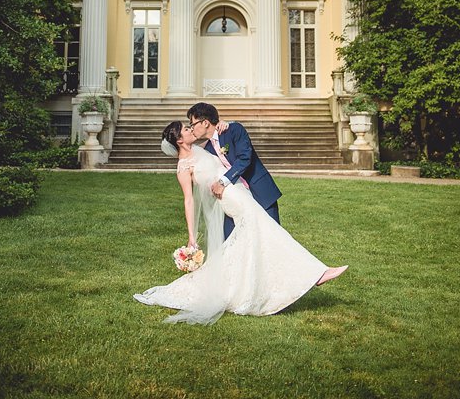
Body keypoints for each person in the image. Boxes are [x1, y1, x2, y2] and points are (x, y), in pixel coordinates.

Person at [133, 121, 348, 325]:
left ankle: (247, 288)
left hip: (240, 193)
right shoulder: (183, 167)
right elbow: (188, 201)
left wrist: (224, 123)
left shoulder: (202, 148)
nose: (191, 130)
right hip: (232, 199)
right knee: (269, 232)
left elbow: (215, 135)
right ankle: (316, 273)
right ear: (180, 140)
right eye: (186, 129)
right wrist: (191, 235)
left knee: (253, 240)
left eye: (191, 126)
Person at [187, 101, 281, 238]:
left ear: (205, 122)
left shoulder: (233, 130)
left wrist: (222, 182)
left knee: (273, 237)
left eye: (192, 124)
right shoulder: (207, 149)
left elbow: (244, 159)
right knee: (231, 241)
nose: (191, 128)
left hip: (260, 191)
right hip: (236, 199)